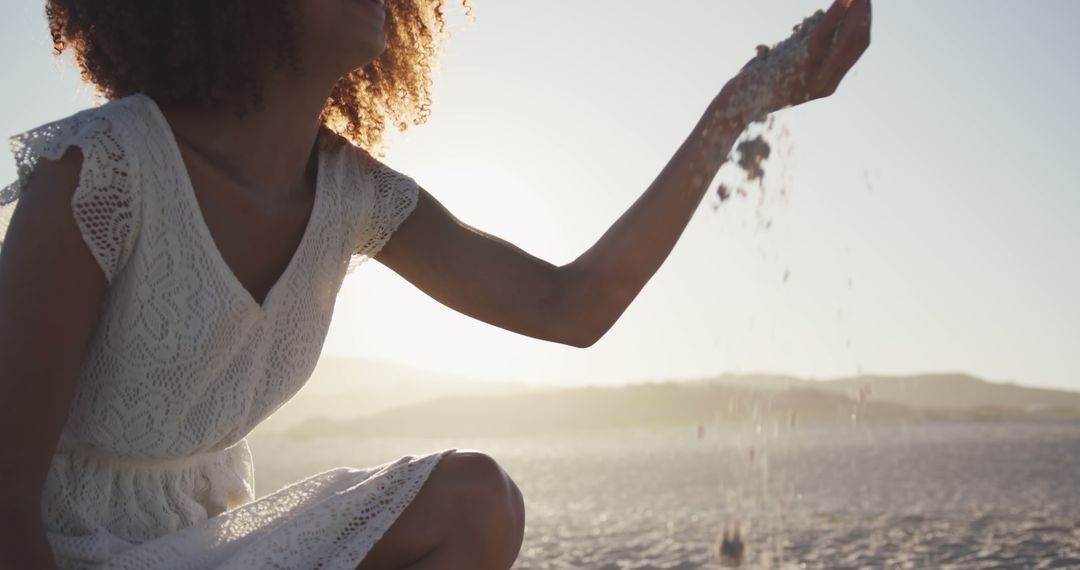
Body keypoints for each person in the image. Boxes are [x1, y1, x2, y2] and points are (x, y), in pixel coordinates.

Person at [0, 0, 871, 568]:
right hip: (57, 548)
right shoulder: (102, 174)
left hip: (216, 543)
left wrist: (746, 98)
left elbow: (572, 305)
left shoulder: (355, 194)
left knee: (475, 503)